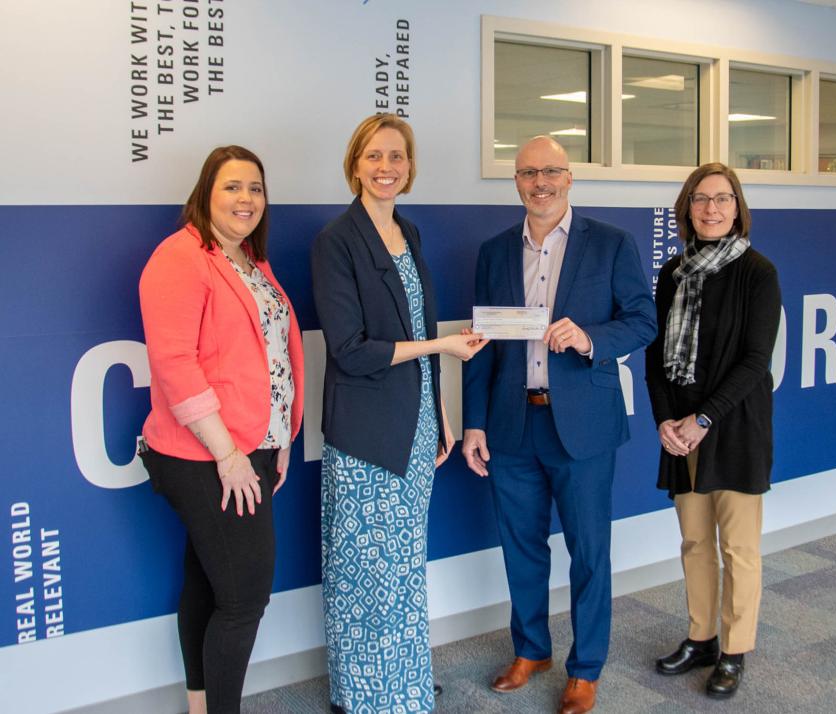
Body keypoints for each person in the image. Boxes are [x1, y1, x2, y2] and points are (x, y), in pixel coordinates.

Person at [462, 136, 657, 714]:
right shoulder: (494, 252)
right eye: (528, 173)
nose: (540, 182)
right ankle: (531, 650)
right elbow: (483, 345)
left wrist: (591, 337)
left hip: (584, 426)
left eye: (551, 171)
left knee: (589, 551)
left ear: (570, 178)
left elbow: (642, 320)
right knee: (521, 547)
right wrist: (474, 423)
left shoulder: (612, 244)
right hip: (512, 424)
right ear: (516, 182)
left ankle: (585, 668)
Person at [311, 114, 486, 714]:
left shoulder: (408, 231)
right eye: (374, 156)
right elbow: (351, 350)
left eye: (397, 156)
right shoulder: (336, 240)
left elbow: (415, 328)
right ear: (355, 164)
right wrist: (442, 346)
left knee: (404, 564)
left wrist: (439, 414)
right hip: (366, 433)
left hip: (414, 425)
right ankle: (364, 694)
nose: (386, 167)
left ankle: (402, 678)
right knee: (365, 572)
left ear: (409, 167)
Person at [138, 145, 305, 714]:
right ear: (206, 193)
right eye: (232, 186)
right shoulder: (180, 257)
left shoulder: (250, 261)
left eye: (255, 187)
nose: (246, 198)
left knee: (209, 584)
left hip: (253, 446)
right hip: (208, 455)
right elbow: (175, 365)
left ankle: (199, 705)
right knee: (243, 600)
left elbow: (270, 357)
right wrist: (229, 456)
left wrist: (279, 440)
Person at [644, 162, 781, 699]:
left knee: (739, 548)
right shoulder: (672, 273)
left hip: (734, 427)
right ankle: (701, 638)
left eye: (723, 199)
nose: (711, 209)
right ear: (687, 208)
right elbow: (655, 355)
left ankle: (734, 650)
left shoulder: (758, 272)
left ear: (738, 208)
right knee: (695, 541)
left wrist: (704, 419)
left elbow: (755, 361)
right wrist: (665, 420)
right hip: (681, 432)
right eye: (701, 199)